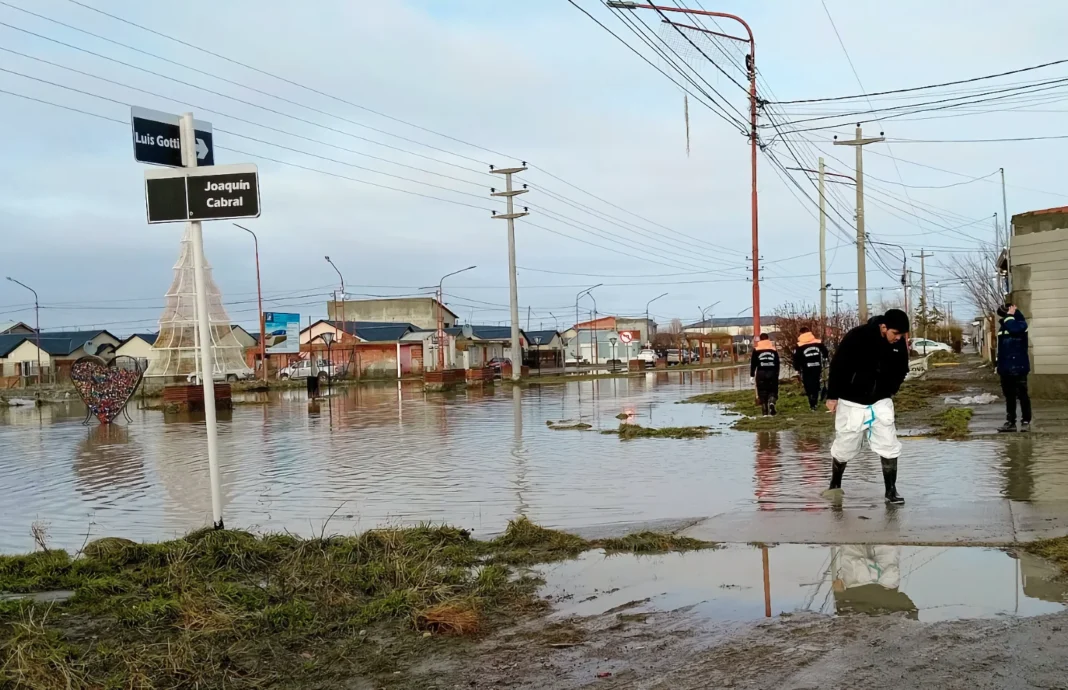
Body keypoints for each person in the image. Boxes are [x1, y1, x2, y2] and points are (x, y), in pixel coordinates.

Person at [825, 309, 911, 504]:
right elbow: (838, 366)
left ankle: (891, 491)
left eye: (901, 335)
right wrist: (832, 396)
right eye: (895, 333)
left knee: (889, 443)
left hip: (881, 400)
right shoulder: (857, 336)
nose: (898, 338)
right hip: (852, 401)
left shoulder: (898, 345)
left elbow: (902, 368)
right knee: (845, 444)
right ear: (883, 327)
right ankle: (835, 484)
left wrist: (892, 388)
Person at [996, 303, 1031, 433]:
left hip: (1019, 366)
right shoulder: (1004, 325)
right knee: (1009, 396)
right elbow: (1002, 349)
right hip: (1005, 367)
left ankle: (1026, 421)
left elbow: (1015, 330)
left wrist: (1010, 316)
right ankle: (1011, 422)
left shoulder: (1021, 324)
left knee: (1022, 395)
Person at [792, 326, 829, 411]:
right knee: (816, 383)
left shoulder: (799, 345)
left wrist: (797, 369)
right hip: (817, 366)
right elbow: (825, 352)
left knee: (808, 384)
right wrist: (825, 359)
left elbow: (796, 358)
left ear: (801, 334)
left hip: (806, 368)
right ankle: (815, 401)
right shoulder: (818, 342)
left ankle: (811, 399)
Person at [750, 333, 780, 416]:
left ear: (760, 339)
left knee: (762, 392)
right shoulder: (773, 349)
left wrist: (752, 375)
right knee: (773, 390)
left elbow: (753, 364)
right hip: (772, 372)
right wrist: (777, 373)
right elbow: (777, 363)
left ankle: (765, 412)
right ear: (768, 339)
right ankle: (772, 401)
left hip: (761, 373)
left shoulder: (756, 349)